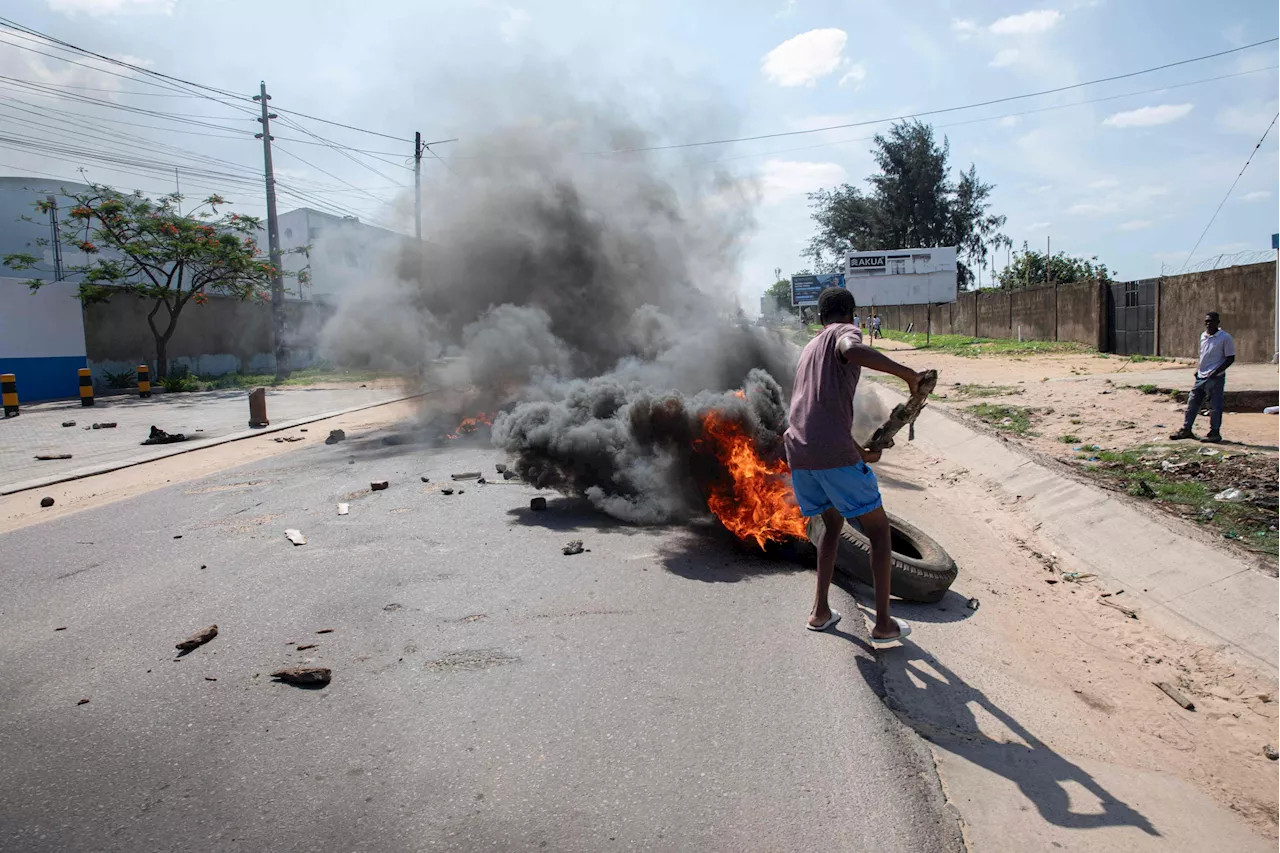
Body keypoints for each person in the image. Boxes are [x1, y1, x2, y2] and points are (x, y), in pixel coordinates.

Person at [785, 287, 930, 644]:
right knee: (878, 531)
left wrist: (860, 454)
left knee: (832, 524)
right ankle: (883, 625)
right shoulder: (844, 333)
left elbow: (819, 414)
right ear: (852, 315)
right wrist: (908, 375)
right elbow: (851, 350)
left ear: (819, 317)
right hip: (827, 449)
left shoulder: (808, 349)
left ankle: (820, 612)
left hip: (799, 451)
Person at [1170, 312, 1234, 444]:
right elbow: (1203, 354)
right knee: (1192, 402)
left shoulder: (1225, 338)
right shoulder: (1203, 336)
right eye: (1206, 322)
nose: (1208, 324)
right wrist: (1198, 369)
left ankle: (1214, 432)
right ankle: (1187, 429)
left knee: (1214, 405)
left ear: (1217, 322)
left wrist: (1216, 372)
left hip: (1215, 377)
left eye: (1211, 321)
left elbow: (1230, 358)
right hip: (1201, 376)